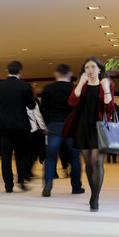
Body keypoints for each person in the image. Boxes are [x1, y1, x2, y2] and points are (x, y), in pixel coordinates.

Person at [63, 57, 115, 212]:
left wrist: (106, 89)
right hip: (82, 127)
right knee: (88, 162)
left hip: (99, 127)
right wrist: (79, 83)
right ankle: (93, 192)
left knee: (97, 161)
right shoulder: (81, 85)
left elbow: (110, 109)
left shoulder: (106, 84)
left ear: (100, 69)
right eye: (86, 67)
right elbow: (71, 102)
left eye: (93, 67)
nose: (90, 70)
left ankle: (95, 197)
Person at [0, 61, 36, 192]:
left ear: (7, 71)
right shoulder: (25, 86)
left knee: (6, 156)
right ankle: (21, 180)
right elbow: (32, 105)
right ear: (20, 72)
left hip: (4, 125)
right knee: (21, 154)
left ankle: (8, 185)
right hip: (20, 125)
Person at [40, 64, 84, 197]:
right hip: (71, 126)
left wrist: (46, 125)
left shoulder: (48, 88)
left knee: (50, 157)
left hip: (54, 125)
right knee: (75, 157)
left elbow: (43, 109)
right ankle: (76, 187)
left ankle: (48, 184)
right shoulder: (74, 88)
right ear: (70, 74)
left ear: (56, 74)